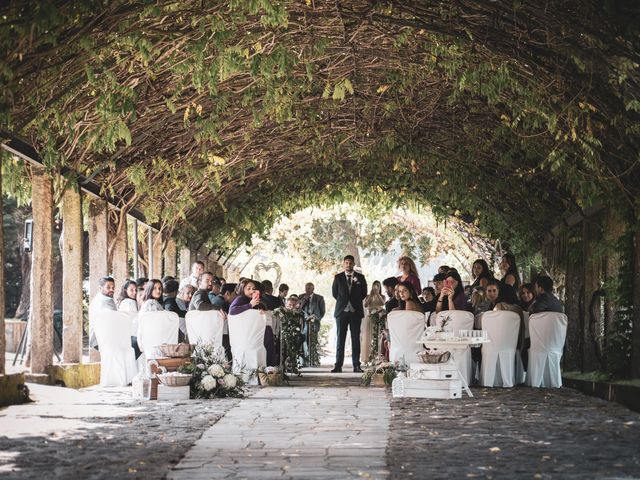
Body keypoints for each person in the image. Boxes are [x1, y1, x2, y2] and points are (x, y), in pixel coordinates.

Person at [331, 255, 367, 373]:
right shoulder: (338, 277)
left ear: (353, 264)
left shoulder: (360, 278)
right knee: (340, 339)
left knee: (356, 339)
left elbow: (363, 293)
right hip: (342, 312)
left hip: (355, 312)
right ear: (344, 264)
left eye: (350, 263)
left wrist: (353, 302)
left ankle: (356, 365)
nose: (348, 265)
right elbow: (335, 293)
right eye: (346, 263)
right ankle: (338, 365)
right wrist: (345, 302)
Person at [229, 279, 276, 366]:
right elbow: (232, 310)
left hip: (259, 331)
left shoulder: (254, 300)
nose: (252, 291)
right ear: (242, 289)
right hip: (250, 336)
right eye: (248, 288)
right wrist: (250, 305)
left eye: (253, 288)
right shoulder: (241, 299)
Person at [88, 276, 117, 350]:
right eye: (108, 287)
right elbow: (115, 318)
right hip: (102, 339)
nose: (111, 290)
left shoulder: (98, 298)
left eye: (113, 287)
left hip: (97, 339)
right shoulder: (105, 300)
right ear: (100, 288)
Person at [300, 282, 325, 367]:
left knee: (313, 341)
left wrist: (316, 318)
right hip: (304, 322)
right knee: (303, 339)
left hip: (314, 322)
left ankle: (313, 359)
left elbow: (322, 311)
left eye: (309, 288)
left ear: (313, 289)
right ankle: (304, 360)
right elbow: (299, 308)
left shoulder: (319, 298)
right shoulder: (301, 296)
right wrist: (304, 300)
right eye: (306, 288)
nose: (307, 290)